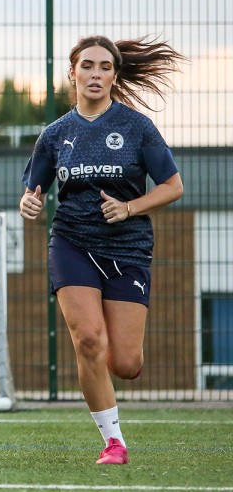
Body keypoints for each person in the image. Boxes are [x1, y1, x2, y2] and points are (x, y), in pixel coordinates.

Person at [20, 35, 185, 465]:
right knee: (88, 340)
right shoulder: (55, 135)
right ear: (72, 73)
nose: (96, 74)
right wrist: (29, 202)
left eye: (105, 67)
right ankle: (114, 442)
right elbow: (32, 192)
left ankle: (114, 373)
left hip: (128, 247)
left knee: (126, 363)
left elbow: (173, 187)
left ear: (115, 74)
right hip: (72, 243)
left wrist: (129, 207)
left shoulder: (136, 127)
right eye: (88, 66)